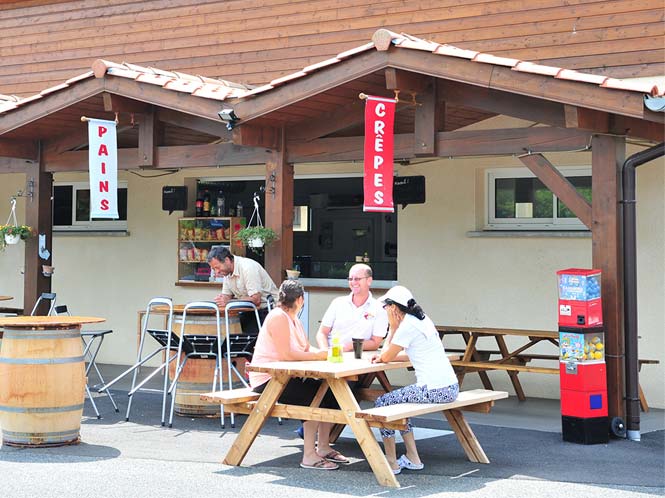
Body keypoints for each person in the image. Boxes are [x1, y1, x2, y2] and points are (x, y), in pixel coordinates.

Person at [249, 279, 349, 471]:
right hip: (269, 380)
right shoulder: (278, 317)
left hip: (286, 377)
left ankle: (324, 446)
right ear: (301, 299)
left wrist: (323, 354)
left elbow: (304, 348)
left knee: (329, 393)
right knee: (313, 397)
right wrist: (317, 355)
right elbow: (286, 354)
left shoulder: (293, 319)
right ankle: (309, 456)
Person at [371, 285, 459, 475]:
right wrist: (387, 355)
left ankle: (391, 461)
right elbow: (412, 353)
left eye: (386, 307)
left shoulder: (406, 326)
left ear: (393, 308)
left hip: (433, 389)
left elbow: (385, 356)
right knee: (399, 403)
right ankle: (412, 457)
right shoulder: (423, 320)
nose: (385, 311)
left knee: (382, 402)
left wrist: (392, 328)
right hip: (450, 386)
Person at [315, 263, 388, 353]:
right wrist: (324, 352)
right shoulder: (338, 303)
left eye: (357, 279)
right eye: (350, 279)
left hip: (361, 359)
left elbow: (375, 343)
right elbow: (322, 333)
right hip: (333, 356)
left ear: (369, 280)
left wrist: (350, 346)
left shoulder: (379, 308)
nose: (353, 282)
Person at [207, 246, 279, 334]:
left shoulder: (247, 267)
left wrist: (229, 301)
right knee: (230, 334)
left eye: (217, 267)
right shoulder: (227, 272)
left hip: (268, 310)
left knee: (246, 340)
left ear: (227, 260)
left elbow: (256, 299)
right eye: (214, 269)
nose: (216, 272)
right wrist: (221, 299)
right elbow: (227, 295)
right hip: (248, 310)